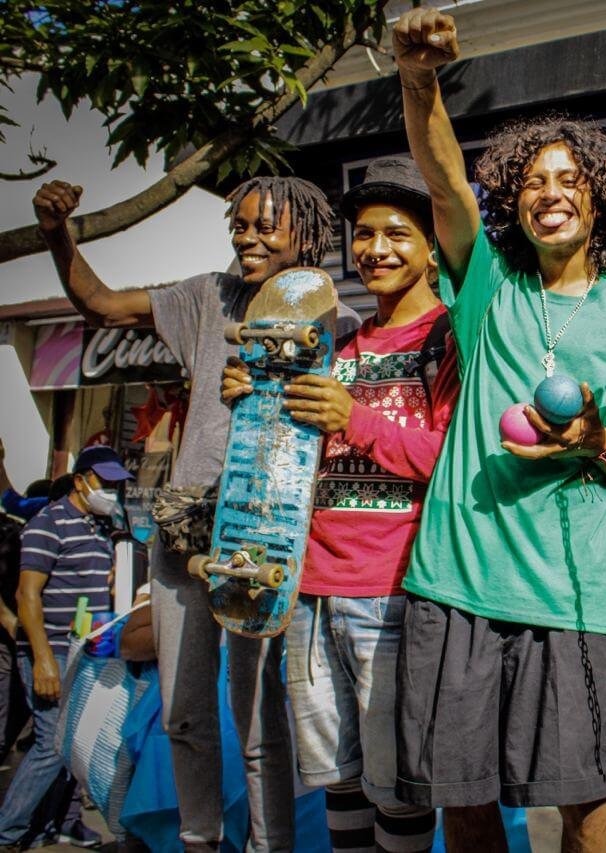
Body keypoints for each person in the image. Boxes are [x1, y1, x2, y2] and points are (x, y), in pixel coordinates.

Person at [392, 9, 606, 850]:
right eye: (534, 180)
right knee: (468, 800)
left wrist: (597, 444)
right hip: (458, 581)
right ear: (513, 201)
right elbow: (444, 180)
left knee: (587, 796)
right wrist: (419, 78)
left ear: (600, 197)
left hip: (574, 595)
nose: (550, 192)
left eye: (570, 179)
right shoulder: (487, 284)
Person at [32, 174, 360, 851]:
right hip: (185, 528)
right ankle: (198, 840)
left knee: (258, 716)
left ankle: (270, 845)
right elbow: (99, 303)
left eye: (265, 225)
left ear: (307, 232)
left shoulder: (340, 324)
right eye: (240, 225)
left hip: (265, 533)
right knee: (183, 712)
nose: (247, 237)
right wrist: (55, 236)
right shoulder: (206, 296)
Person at [222, 156, 458, 853]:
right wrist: (256, 402)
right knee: (341, 783)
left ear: (431, 247)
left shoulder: (450, 341)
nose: (375, 249)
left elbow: (452, 462)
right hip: (309, 591)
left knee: (398, 786)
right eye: (363, 234)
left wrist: (352, 415)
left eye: (396, 234)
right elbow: (291, 459)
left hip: (392, 594)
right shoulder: (337, 345)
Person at [0, 445, 133, 850]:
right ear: (80, 481)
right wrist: (42, 660)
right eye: (104, 482)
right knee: (51, 745)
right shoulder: (48, 523)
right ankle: (7, 830)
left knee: (75, 745)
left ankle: (49, 826)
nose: (111, 490)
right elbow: (28, 596)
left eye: (115, 484)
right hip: (52, 650)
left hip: (89, 652)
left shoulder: (104, 525)